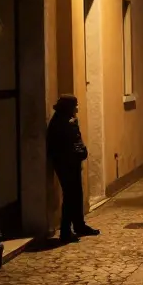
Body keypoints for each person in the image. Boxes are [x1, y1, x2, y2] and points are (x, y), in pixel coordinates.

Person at [46, 95, 100, 242]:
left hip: (70, 162)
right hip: (65, 164)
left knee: (76, 194)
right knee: (70, 195)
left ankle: (79, 225)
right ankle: (65, 231)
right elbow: (68, 143)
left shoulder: (65, 120)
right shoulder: (62, 123)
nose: (77, 108)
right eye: (75, 106)